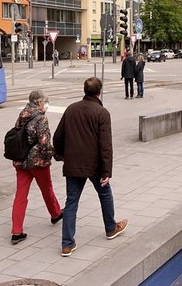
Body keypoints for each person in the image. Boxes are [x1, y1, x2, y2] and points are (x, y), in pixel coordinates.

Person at [53, 77, 128, 257]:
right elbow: (105, 145)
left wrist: (61, 155)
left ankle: (67, 244)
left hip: (73, 164)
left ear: (84, 90)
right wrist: (106, 171)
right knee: (105, 194)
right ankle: (110, 228)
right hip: (95, 165)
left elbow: (57, 136)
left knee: (71, 202)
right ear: (99, 91)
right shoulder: (102, 113)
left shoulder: (71, 109)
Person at [10, 90, 63, 245]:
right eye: (45, 101)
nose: (46, 104)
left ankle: (16, 231)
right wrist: (55, 155)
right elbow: (44, 142)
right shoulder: (41, 118)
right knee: (47, 189)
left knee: (20, 195)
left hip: (21, 162)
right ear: (39, 102)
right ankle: (55, 214)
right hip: (37, 162)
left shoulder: (22, 115)